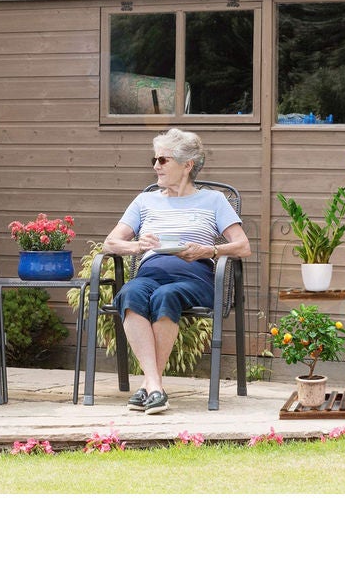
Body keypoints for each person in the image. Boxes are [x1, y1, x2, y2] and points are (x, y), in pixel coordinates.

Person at [103, 128, 251, 414]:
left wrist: (209, 250)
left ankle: (149, 387)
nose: (156, 166)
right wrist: (136, 247)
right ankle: (155, 386)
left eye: (163, 160)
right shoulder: (145, 201)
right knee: (130, 292)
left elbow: (243, 246)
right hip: (149, 274)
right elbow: (111, 242)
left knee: (166, 296)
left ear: (187, 165)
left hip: (195, 275)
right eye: (154, 160)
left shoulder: (215, 201)